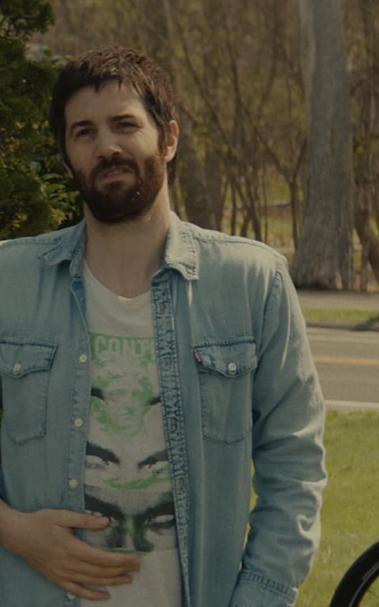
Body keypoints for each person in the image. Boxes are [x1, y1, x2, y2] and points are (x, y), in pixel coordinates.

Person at [0, 47, 327, 607]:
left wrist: (259, 597)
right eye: (84, 132)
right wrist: (16, 532)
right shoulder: (10, 281)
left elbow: (294, 466)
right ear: (67, 154)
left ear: (168, 138)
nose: (106, 146)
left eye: (124, 125)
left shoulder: (250, 281)